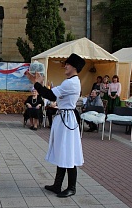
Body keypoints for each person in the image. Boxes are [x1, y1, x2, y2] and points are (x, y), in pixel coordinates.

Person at [25, 53, 85, 198]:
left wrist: (37, 83)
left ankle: (72, 187)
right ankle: (58, 185)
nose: (65, 66)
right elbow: (51, 93)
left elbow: (51, 95)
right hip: (64, 117)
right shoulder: (69, 81)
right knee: (63, 151)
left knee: (68, 152)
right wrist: (36, 83)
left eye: (68, 64)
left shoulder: (71, 82)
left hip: (67, 119)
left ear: (74, 67)